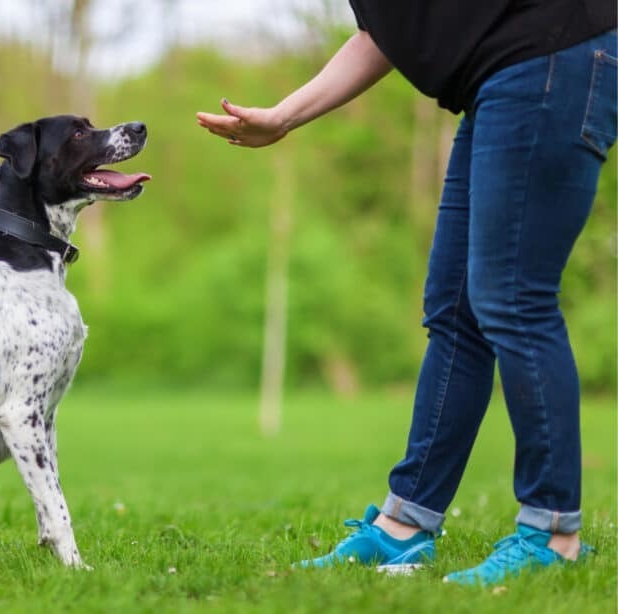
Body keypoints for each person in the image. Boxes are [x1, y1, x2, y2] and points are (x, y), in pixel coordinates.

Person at [197, 2, 616, 586]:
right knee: (455, 312)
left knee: (514, 299)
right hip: (503, 78)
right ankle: (406, 524)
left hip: (548, 57)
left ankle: (553, 532)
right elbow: (385, 35)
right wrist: (284, 116)